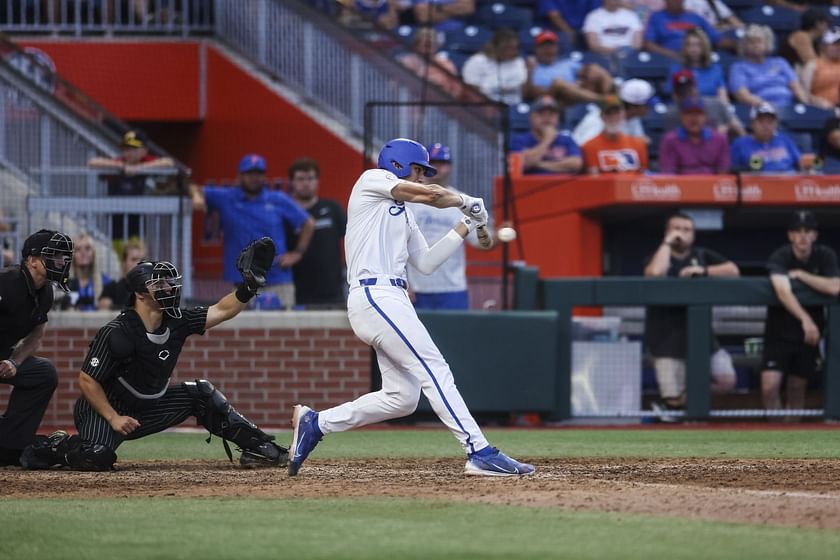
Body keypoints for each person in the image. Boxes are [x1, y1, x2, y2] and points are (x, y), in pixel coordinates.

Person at [286, 138, 534, 477]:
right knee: (435, 368)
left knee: (401, 397)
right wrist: (468, 201)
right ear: (399, 164)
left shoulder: (404, 216)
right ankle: (478, 451)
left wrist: (466, 224)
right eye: (418, 170)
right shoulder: (372, 180)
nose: (422, 178)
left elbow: (426, 262)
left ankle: (317, 423)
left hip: (392, 298)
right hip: (375, 294)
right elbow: (432, 195)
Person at [19, 239, 290, 471]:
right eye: (158, 284)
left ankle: (259, 447)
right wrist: (114, 418)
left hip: (149, 404)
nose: (169, 288)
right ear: (139, 294)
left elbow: (221, 310)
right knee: (97, 455)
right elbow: (88, 381)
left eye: (169, 283)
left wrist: (248, 287)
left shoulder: (177, 319)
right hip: (105, 409)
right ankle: (56, 446)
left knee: (203, 393)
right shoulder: (118, 331)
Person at [643, 213, 738, 419]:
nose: (681, 234)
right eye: (676, 228)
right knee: (672, 402)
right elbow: (655, 273)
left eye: (686, 230)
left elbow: (733, 271)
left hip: (703, 339)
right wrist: (667, 244)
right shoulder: (659, 255)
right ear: (667, 232)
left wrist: (703, 270)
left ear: (693, 235)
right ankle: (672, 409)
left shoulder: (702, 255)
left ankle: (677, 403)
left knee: (726, 380)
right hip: (666, 341)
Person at [190, 153, 315, 310]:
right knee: (242, 330)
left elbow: (308, 223)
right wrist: (196, 197)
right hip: (242, 283)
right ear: (240, 175)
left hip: (277, 280)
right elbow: (192, 187)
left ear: (264, 176)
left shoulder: (277, 199)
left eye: (258, 173)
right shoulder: (227, 197)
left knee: (283, 330)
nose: (254, 178)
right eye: (249, 173)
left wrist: (297, 253)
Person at [0, 229, 74, 466]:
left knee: (43, 373)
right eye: (53, 256)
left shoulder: (46, 293)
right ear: (32, 261)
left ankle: (9, 445)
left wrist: (14, 361)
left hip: (4, 357)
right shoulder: (7, 284)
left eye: (63, 256)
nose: (61, 262)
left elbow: (36, 335)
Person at [761, 211, 840, 417]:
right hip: (779, 332)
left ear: (815, 235)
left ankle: (791, 442)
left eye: (808, 231)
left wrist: (801, 275)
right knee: (769, 387)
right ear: (790, 235)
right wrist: (806, 319)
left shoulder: (824, 255)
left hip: (808, 337)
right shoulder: (781, 255)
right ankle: (775, 436)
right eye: (798, 231)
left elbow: (834, 287)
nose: (803, 236)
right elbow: (782, 290)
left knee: (797, 390)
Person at [406, 143, 494, 310]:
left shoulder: (463, 202)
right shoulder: (410, 199)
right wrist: (404, 282)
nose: (437, 167)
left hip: (452, 287)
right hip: (418, 287)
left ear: (450, 166)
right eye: (433, 162)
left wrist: (498, 236)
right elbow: (399, 244)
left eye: (442, 162)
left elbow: (481, 243)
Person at [87, 130, 176, 241]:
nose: (128, 153)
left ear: (144, 151)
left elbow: (168, 162)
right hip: (116, 220)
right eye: (125, 149)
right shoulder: (120, 161)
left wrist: (139, 169)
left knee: (138, 253)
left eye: (133, 149)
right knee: (117, 254)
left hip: (137, 220)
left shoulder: (145, 161)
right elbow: (93, 162)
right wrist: (122, 167)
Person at [288, 158, 347, 308]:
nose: (306, 183)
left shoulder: (332, 208)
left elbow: (353, 238)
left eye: (310, 178)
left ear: (317, 181)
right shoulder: (286, 213)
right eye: (300, 179)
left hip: (333, 292)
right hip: (298, 291)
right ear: (292, 182)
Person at [523, 30, 614, 106]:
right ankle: (603, 100)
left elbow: (586, 73)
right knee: (558, 82)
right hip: (555, 101)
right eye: (544, 46)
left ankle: (612, 95)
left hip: (578, 94)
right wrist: (529, 72)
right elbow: (529, 94)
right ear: (536, 49)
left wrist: (578, 84)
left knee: (594, 68)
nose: (548, 50)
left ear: (556, 48)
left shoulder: (567, 63)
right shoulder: (533, 68)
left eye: (551, 46)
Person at [729, 24, 809, 109]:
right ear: (744, 46)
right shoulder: (738, 68)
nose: (755, 45)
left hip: (789, 107)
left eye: (758, 41)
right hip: (761, 111)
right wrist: (767, 107)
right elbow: (742, 96)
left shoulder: (780, 62)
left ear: (767, 44)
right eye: (751, 42)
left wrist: (805, 105)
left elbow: (796, 87)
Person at [730, 102, 815, 174]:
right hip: (756, 188)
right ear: (752, 123)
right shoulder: (740, 144)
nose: (766, 125)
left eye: (770, 121)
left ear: (776, 124)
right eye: (761, 121)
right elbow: (732, 171)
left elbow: (800, 163)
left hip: (788, 184)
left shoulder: (785, 140)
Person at [509, 95, 584, 175]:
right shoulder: (519, 140)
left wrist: (539, 164)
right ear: (532, 117)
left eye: (551, 114)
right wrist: (547, 139)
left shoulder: (567, 140)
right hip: (531, 185)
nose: (547, 118)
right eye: (541, 114)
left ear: (557, 117)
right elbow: (524, 163)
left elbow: (576, 164)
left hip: (562, 185)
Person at [662, 68, 745, 138]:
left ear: (696, 89)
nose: (687, 95)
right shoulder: (672, 114)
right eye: (682, 92)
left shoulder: (716, 104)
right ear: (675, 95)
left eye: (689, 90)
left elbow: (738, 128)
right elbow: (672, 142)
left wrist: (727, 128)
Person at [658, 96, 730, 174]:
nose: (693, 118)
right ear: (681, 117)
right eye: (689, 114)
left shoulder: (719, 139)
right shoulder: (670, 140)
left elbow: (723, 173)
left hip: (712, 184)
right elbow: (668, 174)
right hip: (681, 184)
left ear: (705, 116)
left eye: (698, 114)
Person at [572, 78, 655, 146]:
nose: (650, 108)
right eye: (647, 104)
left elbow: (639, 141)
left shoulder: (633, 117)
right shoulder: (599, 121)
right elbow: (585, 148)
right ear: (634, 106)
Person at [581, 95, 648, 174]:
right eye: (608, 113)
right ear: (602, 117)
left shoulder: (638, 144)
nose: (613, 117)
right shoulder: (589, 146)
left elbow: (643, 175)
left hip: (632, 185)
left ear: (623, 114)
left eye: (617, 113)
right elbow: (594, 180)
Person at [462, 28, 527, 105]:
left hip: (513, 106)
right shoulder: (477, 61)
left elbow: (524, 88)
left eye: (515, 48)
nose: (513, 52)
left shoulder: (519, 62)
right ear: (495, 46)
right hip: (484, 106)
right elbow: (471, 88)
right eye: (508, 48)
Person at [664, 28, 729, 103]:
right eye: (689, 45)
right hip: (685, 110)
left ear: (705, 47)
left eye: (698, 45)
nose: (693, 49)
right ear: (685, 48)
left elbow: (723, 98)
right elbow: (675, 97)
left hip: (711, 110)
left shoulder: (716, 69)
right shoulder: (676, 69)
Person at [644, 0, 721, 61]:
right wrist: (673, 55)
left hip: (696, 59)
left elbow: (716, 39)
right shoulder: (656, 17)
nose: (676, 1)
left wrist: (732, 43)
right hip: (667, 60)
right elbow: (649, 44)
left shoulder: (695, 17)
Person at [397, 26, 462, 98]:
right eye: (426, 45)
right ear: (416, 46)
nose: (430, 48)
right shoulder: (405, 63)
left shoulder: (445, 65)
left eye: (433, 45)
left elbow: (456, 90)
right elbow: (396, 86)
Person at [58, 232, 109, 312]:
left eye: (87, 248)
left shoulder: (105, 282)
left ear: (93, 254)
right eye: (78, 249)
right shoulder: (64, 282)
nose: (83, 253)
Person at [778, 7, 831, 77]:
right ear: (818, 24)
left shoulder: (816, 41)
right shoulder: (801, 36)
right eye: (825, 23)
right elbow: (812, 64)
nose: (827, 27)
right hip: (788, 76)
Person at [99, 238, 147, 311]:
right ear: (124, 263)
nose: (139, 264)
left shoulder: (151, 291)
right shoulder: (111, 289)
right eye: (134, 259)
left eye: (142, 260)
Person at [802, 27, 840, 109]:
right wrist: (816, 101)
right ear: (824, 46)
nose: (838, 47)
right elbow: (804, 94)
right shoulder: (813, 65)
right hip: (821, 109)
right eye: (834, 44)